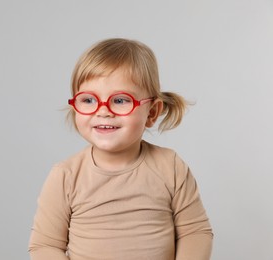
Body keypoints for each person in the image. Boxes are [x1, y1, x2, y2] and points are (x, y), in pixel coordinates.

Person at [28, 38, 213, 260]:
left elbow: (195, 232)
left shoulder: (169, 166)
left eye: (120, 100)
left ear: (152, 112)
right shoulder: (66, 175)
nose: (103, 111)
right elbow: (45, 246)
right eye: (88, 100)